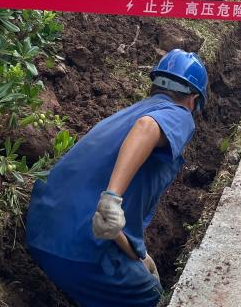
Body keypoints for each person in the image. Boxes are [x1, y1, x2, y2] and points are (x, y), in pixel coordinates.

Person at [25, 49, 208, 307]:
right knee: (153, 298)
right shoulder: (178, 114)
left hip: (41, 233)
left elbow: (105, 220)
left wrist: (138, 254)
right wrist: (112, 197)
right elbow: (147, 127)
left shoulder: (129, 113)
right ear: (193, 99)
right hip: (80, 251)